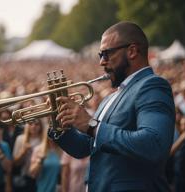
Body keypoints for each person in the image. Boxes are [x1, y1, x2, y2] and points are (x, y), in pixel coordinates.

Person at [49, 21, 175, 191]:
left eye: (106, 54)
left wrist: (91, 125)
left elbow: (153, 144)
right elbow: (84, 148)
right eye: (100, 55)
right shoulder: (109, 99)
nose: (102, 62)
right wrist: (59, 124)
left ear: (132, 51)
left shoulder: (152, 85)